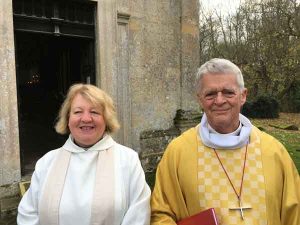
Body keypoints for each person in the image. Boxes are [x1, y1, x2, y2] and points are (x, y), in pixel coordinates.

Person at [151, 58, 300, 225]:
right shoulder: (178, 152)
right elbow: (161, 215)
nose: (219, 100)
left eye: (228, 92)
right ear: (200, 99)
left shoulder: (273, 151)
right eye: (210, 94)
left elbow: (295, 214)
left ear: (243, 96)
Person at [18, 84, 151, 225]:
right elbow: (28, 213)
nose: (86, 119)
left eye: (94, 112)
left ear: (106, 119)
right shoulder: (47, 162)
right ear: (68, 119)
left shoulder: (128, 160)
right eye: (78, 112)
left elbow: (138, 214)